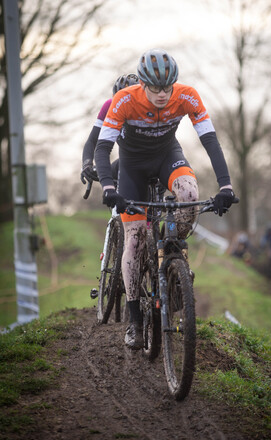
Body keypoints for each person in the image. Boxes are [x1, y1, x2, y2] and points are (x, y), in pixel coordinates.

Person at [95, 48, 235, 349]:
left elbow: (210, 141)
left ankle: (172, 258)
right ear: (142, 84)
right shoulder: (124, 100)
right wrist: (108, 186)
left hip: (167, 156)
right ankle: (134, 321)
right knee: (135, 237)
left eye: (167, 87)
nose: (162, 94)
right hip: (131, 167)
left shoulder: (187, 96)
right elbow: (102, 148)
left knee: (189, 194)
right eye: (156, 88)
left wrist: (225, 186)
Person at [80, 73, 139, 185]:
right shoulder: (109, 106)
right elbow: (92, 141)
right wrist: (87, 164)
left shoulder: (150, 106)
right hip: (128, 160)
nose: (124, 105)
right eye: (119, 100)